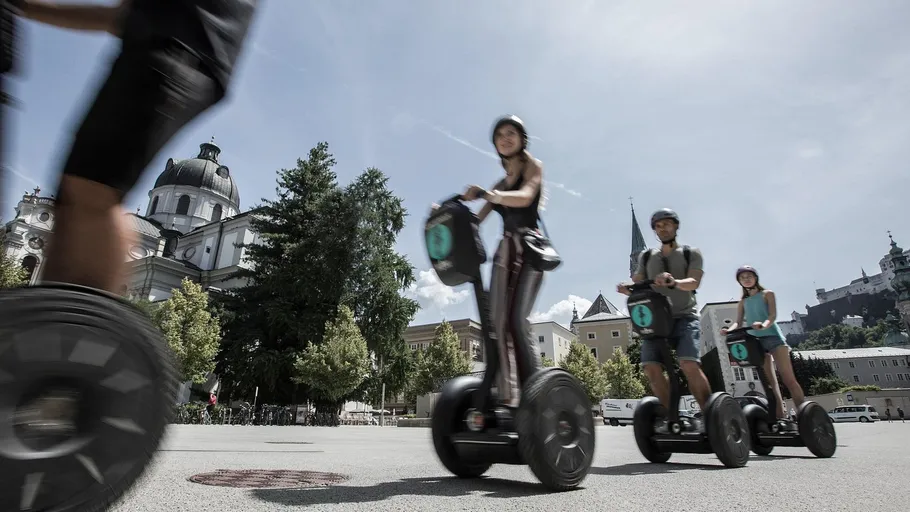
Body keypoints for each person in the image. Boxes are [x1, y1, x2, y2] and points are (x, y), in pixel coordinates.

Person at [19, 0, 258, 295]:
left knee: (89, 194)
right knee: (80, 196)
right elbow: (121, 16)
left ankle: (78, 313)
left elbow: (121, 15)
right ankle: (71, 309)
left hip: (173, 48)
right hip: (176, 47)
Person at [459, 114, 545, 411]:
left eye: (511, 133)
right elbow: (476, 219)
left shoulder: (533, 167)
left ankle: (535, 395)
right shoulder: (498, 184)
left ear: (522, 139)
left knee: (516, 320)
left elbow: (525, 196)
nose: (505, 138)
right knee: (495, 323)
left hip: (529, 250)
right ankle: (508, 397)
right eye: (499, 135)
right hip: (504, 253)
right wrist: (449, 211)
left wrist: (489, 194)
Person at [617, 208, 711, 433]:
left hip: (685, 316)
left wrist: (674, 282)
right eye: (658, 226)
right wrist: (627, 287)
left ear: (675, 226)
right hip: (657, 321)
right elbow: (638, 282)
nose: (663, 229)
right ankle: (672, 418)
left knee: (688, 364)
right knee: (650, 368)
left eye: (667, 224)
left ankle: (710, 415)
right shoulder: (647, 257)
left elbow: (694, 282)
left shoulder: (690, 253)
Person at [721, 265, 803, 431]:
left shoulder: (767, 294)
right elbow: (738, 322)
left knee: (788, 379)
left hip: (773, 338)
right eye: (742, 278)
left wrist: (763, 325)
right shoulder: (743, 302)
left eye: (749, 276)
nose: (746, 279)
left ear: (755, 278)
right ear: (739, 282)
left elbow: (772, 316)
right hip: (755, 341)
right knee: (770, 383)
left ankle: (804, 414)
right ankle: (780, 417)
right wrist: (728, 330)